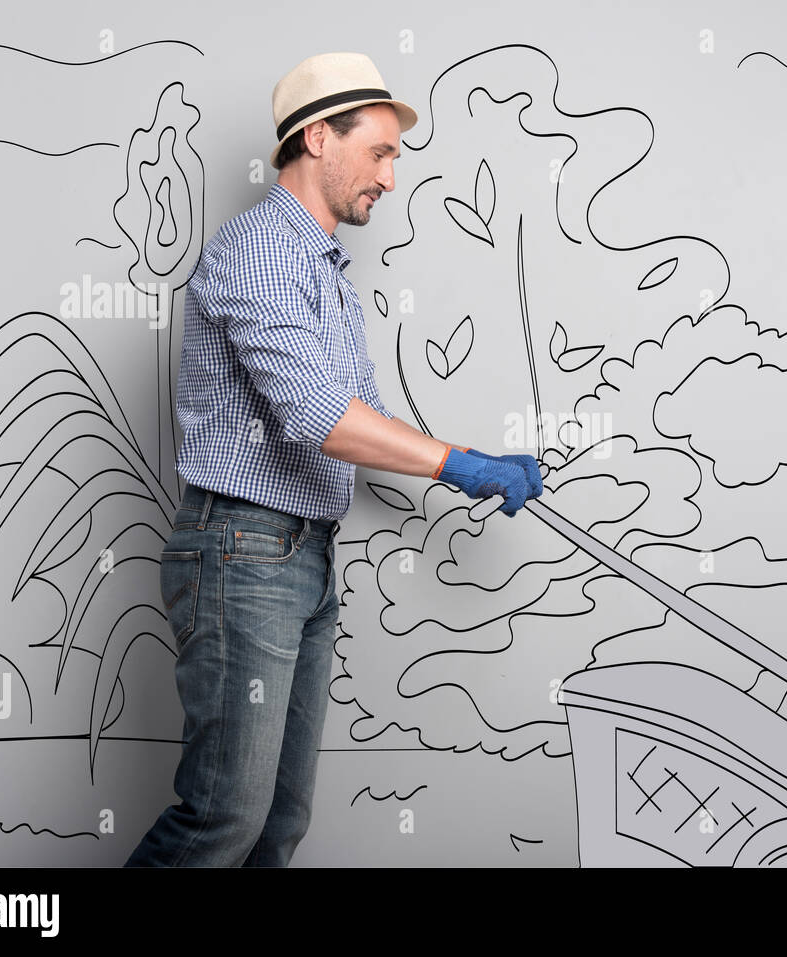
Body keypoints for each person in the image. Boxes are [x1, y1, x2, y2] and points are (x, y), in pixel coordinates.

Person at [125, 52, 542, 867]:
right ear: (318, 137)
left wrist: (470, 458)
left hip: (300, 554)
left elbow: (364, 417)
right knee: (222, 820)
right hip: (241, 551)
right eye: (381, 153)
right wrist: (460, 463)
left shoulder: (324, 271)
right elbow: (322, 418)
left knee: (277, 824)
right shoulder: (260, 252)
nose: (391, 179)